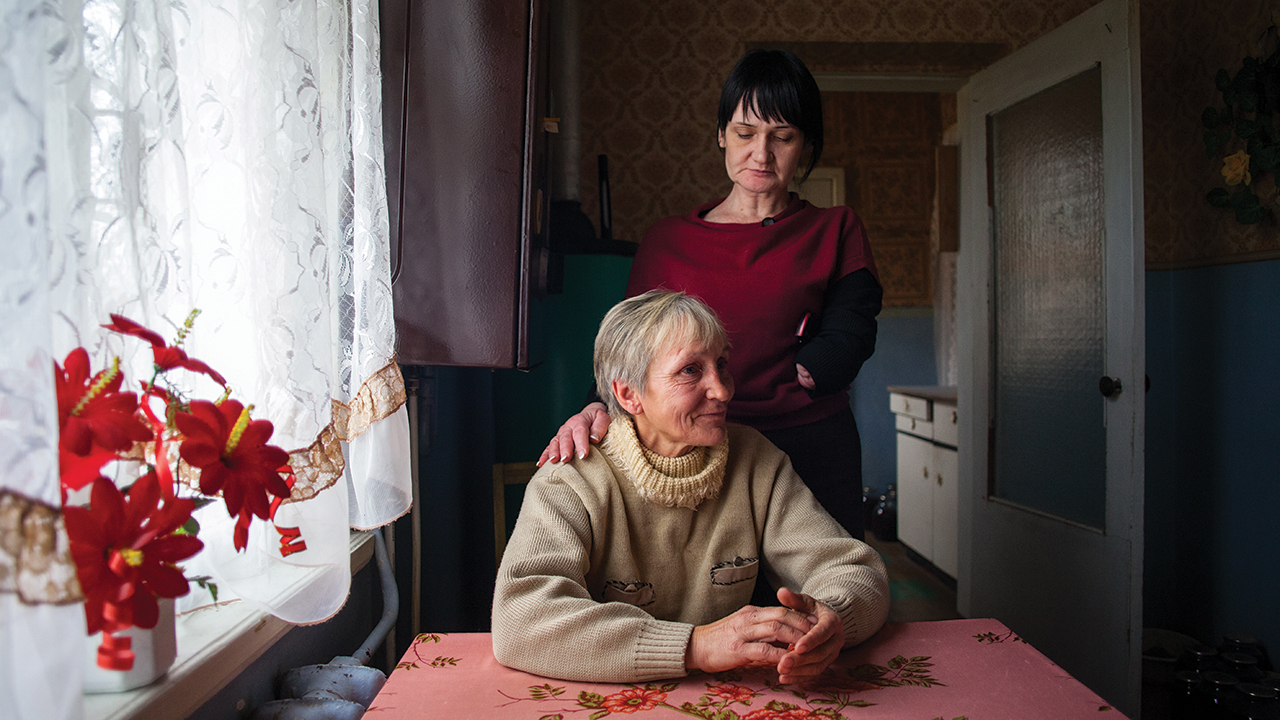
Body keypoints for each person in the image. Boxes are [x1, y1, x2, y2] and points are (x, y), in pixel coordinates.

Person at [538, 48, 881, 540]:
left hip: (810, 445)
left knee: (825, 595)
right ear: (721, 134)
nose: (760, 154)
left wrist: (820, 366)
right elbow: (630, 349)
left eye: (782, 137)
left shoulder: (835, 228)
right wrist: (597, 406)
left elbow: (855, 323)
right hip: (702, 446)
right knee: (718, 601)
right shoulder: (668, 241)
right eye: (745, 134)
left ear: (804, 144)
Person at [492, 290, 889, 683]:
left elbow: (853, 570)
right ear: (628, 394)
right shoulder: (571, 479)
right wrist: (695, 646)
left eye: (721, 364)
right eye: (690, 370)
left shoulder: (755, 461)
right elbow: (521, 621)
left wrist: (833, 619)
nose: (723, 390)